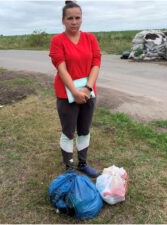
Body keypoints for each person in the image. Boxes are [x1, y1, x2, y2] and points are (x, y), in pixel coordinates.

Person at [49, 1, 101, 178]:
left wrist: (86, 88)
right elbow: (61, 69)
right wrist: (75, 92)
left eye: (77, 18)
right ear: (63, 20)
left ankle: (83, 163)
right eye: (70, 18)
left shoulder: (90, 39)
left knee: (84, 129)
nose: (74, 22)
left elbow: (96, 63)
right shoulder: (57, 41)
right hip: (66, 94)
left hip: (88, 93)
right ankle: (69, 166)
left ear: (82, 19)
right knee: (68, 131)